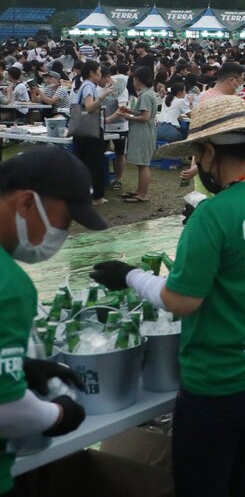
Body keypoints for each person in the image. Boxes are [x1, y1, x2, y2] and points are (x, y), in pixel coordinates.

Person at [90, 96, 245, 497]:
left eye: (197, 155)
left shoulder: (214, 213)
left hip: (223, 379)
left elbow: (182, 300)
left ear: (208, 153)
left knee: (202, 486)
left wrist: (131, 276)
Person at [0, 147, 104, 495]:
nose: (64, 233)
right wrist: (59, 415)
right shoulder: (9, 285)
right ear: (27, 204)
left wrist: (19, 366)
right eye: (65, 220)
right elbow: (6, 411)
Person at [70, 59, 111, 205]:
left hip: (81, 129)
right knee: (95, 162)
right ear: (92, 73)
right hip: (90, 130)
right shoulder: (89, 86)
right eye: (99, 72)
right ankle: (96, 196)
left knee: (82, 160)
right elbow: (89, 108)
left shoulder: (83, 85)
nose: (100, 75)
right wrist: (103, 96)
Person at [118, 66, 158, 203]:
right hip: (146, 131)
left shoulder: (146, 95)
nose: (133, 81)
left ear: (139, 80)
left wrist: (127, 117)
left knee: (143, 164)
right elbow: (143, 113)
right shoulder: (149, 93)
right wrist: (129, 111)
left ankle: (143, 194)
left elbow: (145, 117)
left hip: (143, 132)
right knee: (141, 164)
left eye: (135, 78)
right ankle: (139, 191)